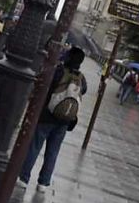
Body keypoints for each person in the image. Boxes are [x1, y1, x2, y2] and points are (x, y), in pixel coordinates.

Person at [18, 47, 87, 192]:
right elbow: (84, 90)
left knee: (35, 147)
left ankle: (24, 178)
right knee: (53, 151)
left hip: (47, 115)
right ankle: (43, 183)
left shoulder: (59, 71)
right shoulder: (81, 78)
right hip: (64, 119)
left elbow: (44, 85)